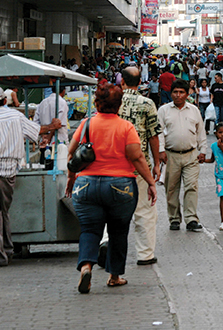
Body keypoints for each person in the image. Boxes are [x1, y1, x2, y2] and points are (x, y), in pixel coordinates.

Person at [65, 83, 157, 293]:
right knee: (118, 231)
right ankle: (114, 276)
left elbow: (71, 154)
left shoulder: (86, 124)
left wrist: (71, 179)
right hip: (120, 186)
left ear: (96, 102)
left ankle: (86, 266)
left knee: (89, 229)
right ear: (119, 104)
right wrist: (151, 183)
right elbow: (137, 157)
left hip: (86, 184)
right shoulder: (125, 127)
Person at [0, 86, 61, 267]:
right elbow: (37, 131)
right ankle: (7, 250)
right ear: (5, 101)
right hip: (9, 174)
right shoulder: (17, 116)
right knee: (4, 213)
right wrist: (53, 126)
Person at [118, 66, 162, 266]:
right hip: (140, 166)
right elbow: (153, 135)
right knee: (144, 210)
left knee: (112, 210)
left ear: (122, 82)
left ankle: (106, 242)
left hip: (114, 167)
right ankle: (145, 254)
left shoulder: (112, 101)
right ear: (140, 83)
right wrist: (156, 164)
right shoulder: (147, 103)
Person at [158, 79, 208, 232]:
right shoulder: (163, 110)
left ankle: (191, 218)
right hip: (170, 156)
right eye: (175, 92)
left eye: (181, 92)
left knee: (191, 186)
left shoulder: (194, 110)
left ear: (187, 94)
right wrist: (160, 151)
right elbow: (159, 132)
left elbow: (200, 131)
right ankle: (174, 219)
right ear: (171, 93)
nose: (178, 95)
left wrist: (203, 150)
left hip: (191, 155)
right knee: (171, 188)